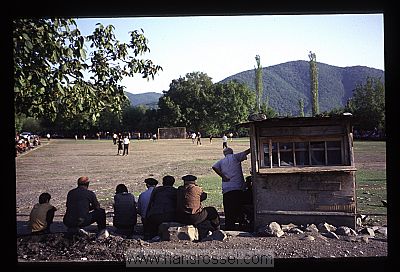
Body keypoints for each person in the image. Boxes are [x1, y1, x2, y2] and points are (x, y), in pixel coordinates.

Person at [212, 147, 251, 230]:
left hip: (227, 189)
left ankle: (229, 227)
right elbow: (246, 152)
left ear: (224, 154)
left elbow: (214, 167)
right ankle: (242, 226)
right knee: (239, 208)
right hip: (238, 188)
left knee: (229, 210)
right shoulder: (235, 157)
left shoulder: (222, 161)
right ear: (232, 152)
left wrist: (223, 176)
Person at [146, 175, 178, 239]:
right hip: (170, 216)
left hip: (155, 216)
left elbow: (151, 203)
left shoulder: (157, 190)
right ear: (173, 183)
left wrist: (147, 216)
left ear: (163, 182)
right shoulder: (175, 191)